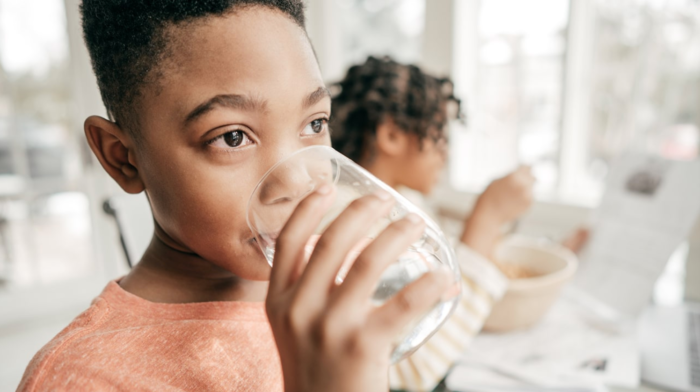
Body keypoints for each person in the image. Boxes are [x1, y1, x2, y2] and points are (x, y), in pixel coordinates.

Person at [17, 2, 453, 392]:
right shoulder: (82, 378)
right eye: (232, 136)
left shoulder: (328, 283)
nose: (298, 181)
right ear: (123, 159)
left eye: (315, 124)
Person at [330, 56, 587, 391]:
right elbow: (413, 371)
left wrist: (547, 247)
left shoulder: (405, 203)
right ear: (391, 135)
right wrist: (488, 215)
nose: (446, 153)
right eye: (439, 135)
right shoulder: (351, 218)